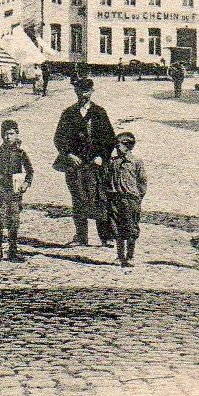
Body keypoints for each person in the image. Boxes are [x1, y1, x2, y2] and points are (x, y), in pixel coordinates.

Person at [52, 76, 117, 246]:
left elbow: (109, 139)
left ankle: (106, 237)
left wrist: (101, 156)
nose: (84, 95)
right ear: (75, 92)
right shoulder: (68, 113)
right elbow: (59, 138)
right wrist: (68, 154)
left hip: (95, 165)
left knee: (99, 198)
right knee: (78, 198)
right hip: (75, 165)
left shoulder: (100, 113)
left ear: (92, 92)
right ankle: (81, 236)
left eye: (87, 91)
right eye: (80, 91)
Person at [0, 119, 34, 262]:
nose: (8, 137)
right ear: (2, 135)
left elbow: (30, 171)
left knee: (13, 220)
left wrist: (26, 183)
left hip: (14, 192)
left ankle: (13, 250)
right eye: (6, 134)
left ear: (16, 134)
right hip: (0, 191)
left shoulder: (21, 153)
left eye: (11, 134)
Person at [104, 131, 148, 268]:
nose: (117, 148)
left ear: (129, 146)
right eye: (117, 145)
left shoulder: (136, 162)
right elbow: (107, 178)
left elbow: (142, 182)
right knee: (117, 228)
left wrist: (137, 197)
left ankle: (130, 256)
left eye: (120, 145)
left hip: (131, 199)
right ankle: (120, 255)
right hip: (116, 198)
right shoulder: (113, 162)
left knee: (131, 228)